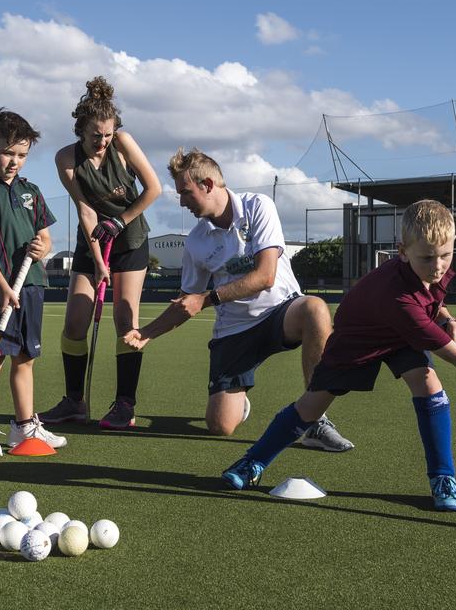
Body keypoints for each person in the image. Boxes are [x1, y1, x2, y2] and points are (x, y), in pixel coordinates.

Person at [219, 199, 456, 511]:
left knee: (428, 385)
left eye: (444, 256)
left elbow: (432, 295)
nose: (438, 266)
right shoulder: (398, 300)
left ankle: (443, 478)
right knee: (312, 406)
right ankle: (253, 461)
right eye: (427, 259)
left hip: (399, 335)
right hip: (358, 338)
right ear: (402, 253)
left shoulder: (440, 266)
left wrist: (447, 319)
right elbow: (455, 356)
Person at [122, 148, 354, 451]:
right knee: (220, 426)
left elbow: (265, 276)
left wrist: (206, 299)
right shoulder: (195, 241)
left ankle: (314, 420)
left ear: (207, 184)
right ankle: (238, 402)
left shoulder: (258, 206)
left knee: (315, 308)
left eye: (185, 193)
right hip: (233, 331)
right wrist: (147, 333)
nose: (181, 202)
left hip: (281, 312)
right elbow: (186, 301)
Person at [40, 77, 161, 429]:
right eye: (96, 135)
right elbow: (86, 210)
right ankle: (74, 403)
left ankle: (125, 405)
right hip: (91, 241)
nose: (102, 141)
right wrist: (97, 262)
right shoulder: (66, 158)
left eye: (107, 134)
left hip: (131, 240)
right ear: (80, 130)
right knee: (76, 320)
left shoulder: (123, 144)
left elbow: (153, 189)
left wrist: (121, 222)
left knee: (125, 322)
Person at [0, 108, 65, 458]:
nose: (14, 161)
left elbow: (46, 238)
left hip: (31, 286)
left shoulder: (31, 191)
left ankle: (24, 427)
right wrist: (4, 286)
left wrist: (43, 247)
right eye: (7, 152)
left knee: (25, 357)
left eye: (21, 155)